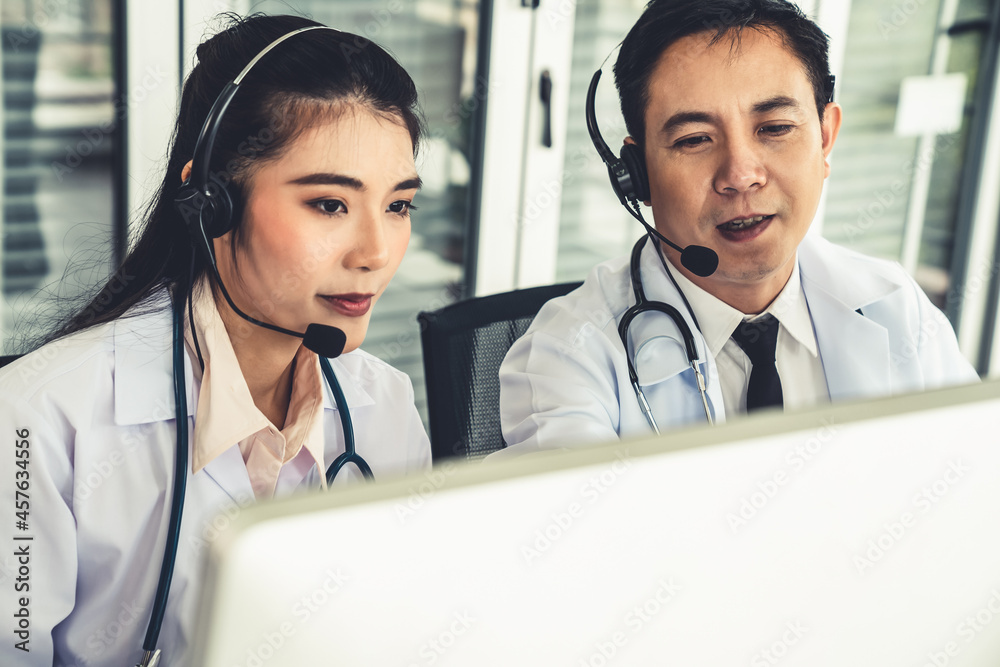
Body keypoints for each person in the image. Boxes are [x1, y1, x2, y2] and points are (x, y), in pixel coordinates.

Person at [0, 14, 431, 666]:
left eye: (398, 206)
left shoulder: (385, 405)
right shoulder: (37, 420)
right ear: (212, 202)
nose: (376, 252)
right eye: (329, 204)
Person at [496, 0, 979, 455]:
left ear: (826, 137)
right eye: (694, 139)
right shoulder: (566, 359)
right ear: (636, 175)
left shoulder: (896, 309)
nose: (741, 174)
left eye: (774, 128)